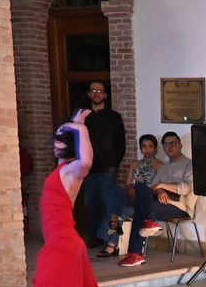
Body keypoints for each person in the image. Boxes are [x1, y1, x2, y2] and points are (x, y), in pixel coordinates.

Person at [31, 110, 121, 287]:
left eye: (62, 140)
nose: (56, 143)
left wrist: (81, 128)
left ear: (72, 144)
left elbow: (87, 161)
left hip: (63, 243)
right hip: (60, 242)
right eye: (56, 139)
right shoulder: (62, 167)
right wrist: (74, 124)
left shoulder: (73, 170)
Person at [118, 131, 195, 268]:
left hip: (180, 207)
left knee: (140, 208)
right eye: (166, 144)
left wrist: (161, 185)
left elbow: (187, 188)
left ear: (180, 145)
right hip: (160, 203)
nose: (169, 147)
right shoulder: (164, 167)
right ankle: (150, 221)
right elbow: (152, 187)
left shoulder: (190, 164)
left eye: (173, 143)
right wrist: (159, 190)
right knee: (141, 187)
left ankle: (136, 253)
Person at [94, 133, 163, 258]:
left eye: (150, 146)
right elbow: (127, 184)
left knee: (115, 209)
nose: (147, 149)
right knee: (115, 191)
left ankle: (112, 243)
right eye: (144, 146)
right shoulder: (135, 164)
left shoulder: (160, 165)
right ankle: (114, 223)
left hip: (145, 199)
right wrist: (130, 188)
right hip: (131, 195)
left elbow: (157, 186)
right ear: (140, 148)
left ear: (155, 149)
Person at [81, 81, 125, 248]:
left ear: (105, 95)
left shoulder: (114, 117)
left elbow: (120, 143)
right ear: (89, 94)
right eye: (93, 90)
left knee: (107, 202)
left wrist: (114, 165)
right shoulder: (83, 117)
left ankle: (107, 236)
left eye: (100, 91)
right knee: (91, 202)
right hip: (88, 168)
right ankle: (94, 236)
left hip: (107, 167)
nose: (96, 93)